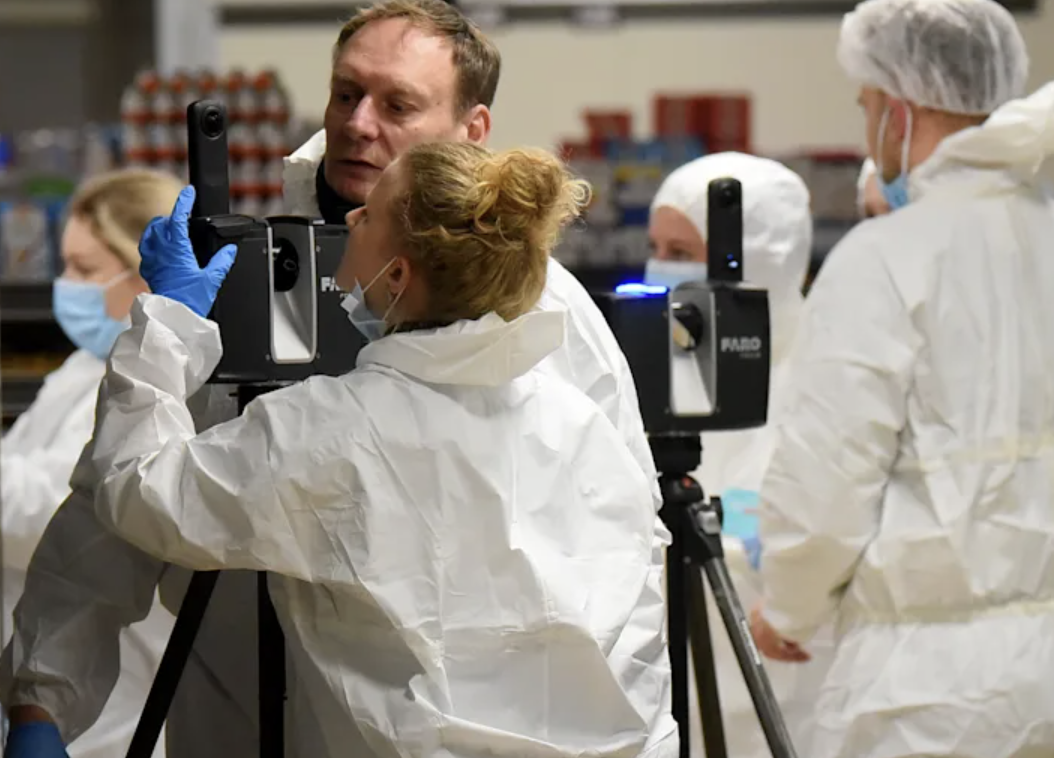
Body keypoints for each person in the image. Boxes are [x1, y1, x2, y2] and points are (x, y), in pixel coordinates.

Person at [0, 1, 662, 756]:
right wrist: (44, 696)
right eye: (347, 93)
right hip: (235, 705)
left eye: (398, 104)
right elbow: (117, 509)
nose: (359, 123)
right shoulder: (240, 280)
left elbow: (630, 559)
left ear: (472, 129)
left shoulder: (549, 317)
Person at [85, 143, 677, 758]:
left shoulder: (332, 429)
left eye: (368, 214)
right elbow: (639, 625)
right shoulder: (579, 420)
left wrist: (169, 323)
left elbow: (138, 490)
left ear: (397, 276)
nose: (349, 218)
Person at [749, 0, 1054, 755]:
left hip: (927, 696)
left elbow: (828, 476)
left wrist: (786, 606)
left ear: (898, 111)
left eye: (865, 106)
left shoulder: (885, 257)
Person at [643, 152, 833, 757]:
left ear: (758, 258)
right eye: (655, 248)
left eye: (682, 251)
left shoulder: (823, 381)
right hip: (676, 694)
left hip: (789, 689)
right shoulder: (656, 381)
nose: (660, 268)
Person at [0, 169, 180, 758]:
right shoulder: (81, 367)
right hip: (51, 684)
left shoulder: (155, 387)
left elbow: (53, 515)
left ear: (145, 273)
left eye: (84, 269)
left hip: (113, 708)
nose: (66, 286)